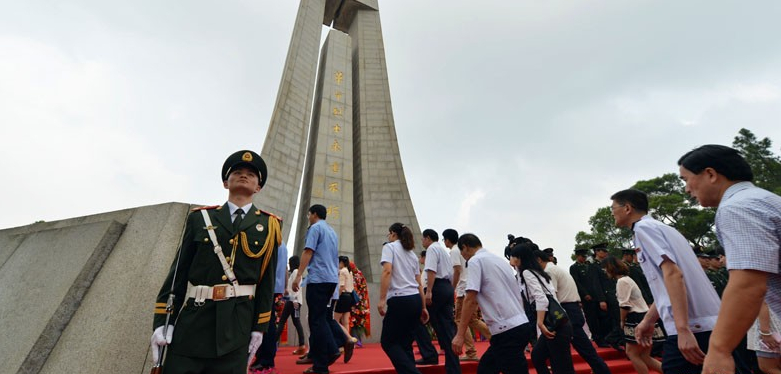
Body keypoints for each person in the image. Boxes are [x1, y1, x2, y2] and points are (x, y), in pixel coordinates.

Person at [150, 150, 281, 374]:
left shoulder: (270, 226)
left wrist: (259, 328)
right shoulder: (200, 219)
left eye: (251, 174)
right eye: (237, 172)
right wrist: (163, 320)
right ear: (225, 182)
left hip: (236, 327)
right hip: (193, 324)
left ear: (258, 187)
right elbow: (177, 273)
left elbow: (266, 283)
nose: (244, 176)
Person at [678, 144, 781, 374]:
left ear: (711, 174)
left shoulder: (737, 208)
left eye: (686, 179)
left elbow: (748, 285)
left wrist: (719, 349)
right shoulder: (762, 199)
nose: (686, 189)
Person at [610, 188, 721, 374]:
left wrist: (683, 329)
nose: (612, 212)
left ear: (627, 208)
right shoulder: (665, 229)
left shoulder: (643, 229)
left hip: (693, 326)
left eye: (613, 208)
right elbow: (666, 286)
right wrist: (649, 320)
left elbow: (673, 275)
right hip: (705, 323)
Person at [452, 233, 533, 374]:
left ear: (464, 247)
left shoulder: (475, 261)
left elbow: (470, 299)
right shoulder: (499, 260)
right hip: (519, 324)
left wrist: (460, 335)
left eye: (461, 252)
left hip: (506, 329)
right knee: (488, 368)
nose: (463, 256)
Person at [537, 250, 612, 374]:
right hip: (571, 309)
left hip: (565, 312)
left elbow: (552, 296)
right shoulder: (557, 269)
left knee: (583, 350)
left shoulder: (549, 271)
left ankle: (602, 370)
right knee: (543, 355)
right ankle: (601, 370)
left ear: (539, 260)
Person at [511, 242, 575, 374]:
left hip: (553, 325)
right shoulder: (538, 272)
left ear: (520, 257)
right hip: (558, 321)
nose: (511, 259)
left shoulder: (528, 273)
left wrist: (540, 323)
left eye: (513, 256)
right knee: (538, 356)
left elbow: (541, 298)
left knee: (561, 367)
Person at [291, 204, 340, 374]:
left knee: (316, 321)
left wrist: (298, 275)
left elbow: (308, 252)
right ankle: (327, 355)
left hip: (318, 279)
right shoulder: (332, 232)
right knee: (320, 319)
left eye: (309, 214)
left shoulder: (315, 228)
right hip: (331, 280)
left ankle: (323, 362)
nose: (308, 217)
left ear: (314, 214)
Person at [378, 223, 429, 374]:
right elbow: (418, 283)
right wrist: (423, 307)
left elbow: (387, 271)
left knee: (388, 342)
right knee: (405, 344)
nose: (388, 236)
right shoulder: (412, 254)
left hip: (400, 299)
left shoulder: (390, 247)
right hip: (414, 300)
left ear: (393, 234)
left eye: (389, 233)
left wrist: (381, 299)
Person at [603, 256, 664, 374]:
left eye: (605, 268)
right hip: (643, 315)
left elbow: (625, 305)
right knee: (645, 356)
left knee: (631, 353)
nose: (605, 271)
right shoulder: (628, 279)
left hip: (635, 318)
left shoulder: (622, 281)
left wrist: (621, 321)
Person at [445, 228, 490, 362]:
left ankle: (471, 351)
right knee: (472, 320)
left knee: (460, 320)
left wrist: (451, 288)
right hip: (468, 286)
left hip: (463, 288)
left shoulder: (454, 251)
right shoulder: (463, 251)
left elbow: (457, 270)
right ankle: (491, 340)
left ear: (447, 240)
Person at [420, 229, 461, 374]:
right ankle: (453, 367)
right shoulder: (444, 250)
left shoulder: (432, 249)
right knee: (447, 329)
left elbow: (431, 270)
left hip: (436, 287)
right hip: (447, 288)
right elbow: (451, 272)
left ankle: (429, 354)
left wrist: (429, 291)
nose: (422, 242)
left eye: (423, 239)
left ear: (428, 238)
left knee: (420, 319)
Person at [250, 241, 289, 373]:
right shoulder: (282, 245)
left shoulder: (272, 242)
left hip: (267, 286)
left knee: (266, 323)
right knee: (268, 322)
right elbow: (284, 269)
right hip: (275, 286)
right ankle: (263, 357)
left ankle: (265, 359)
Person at [590, 242, 622, 350]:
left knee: (616, 318)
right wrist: (601, 299)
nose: (605, 253)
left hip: (614, 293)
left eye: (605, 251)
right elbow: (596, 284)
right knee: (608, 319)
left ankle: (617, 340)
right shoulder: (594, 266)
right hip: (606, 295)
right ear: (597, 252)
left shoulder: (607, 264)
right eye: (603, 251)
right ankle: (608, 338)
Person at [570, 248, 602, 347]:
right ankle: (597, 338)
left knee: (600, 317)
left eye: (585, 256)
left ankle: (603, 336)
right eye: (582, 256)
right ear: (577, 256)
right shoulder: (574, 268)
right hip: (586, 297)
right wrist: (584, 294)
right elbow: (576, 282)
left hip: (596, 295)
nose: (584, 258)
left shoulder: (590, 266)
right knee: (592, 318)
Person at [414, 250, 439, 365]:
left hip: (416, 296)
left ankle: (429, 353)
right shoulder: (413, 259)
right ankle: (429, 352)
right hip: (418, 296)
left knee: (419, 325)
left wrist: (423, 304)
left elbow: (420, 285)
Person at [277, 255, 306, 355]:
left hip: (292, 301)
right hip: (296, 301)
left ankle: (273, 343)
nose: (289, 265)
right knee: (296, 322)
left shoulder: (295, 272)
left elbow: (294, 289)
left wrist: (292, 299)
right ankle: (302, 345)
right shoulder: (297, 273)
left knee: (282, 321)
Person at [747, 302, 781, 374]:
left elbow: (762, 303)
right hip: (772, 319)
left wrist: (765, 332)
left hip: (770, 324)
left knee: (768, 367)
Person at [335, 255, 359, 345]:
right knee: (346, 322)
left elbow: (341, 286)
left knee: (335, 320)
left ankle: (349, 338)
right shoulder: (350, 271)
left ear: (341, 263)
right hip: (349, 297)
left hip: (343, 296)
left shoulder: (342, 271)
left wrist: (337, 297)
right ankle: (348, 342)